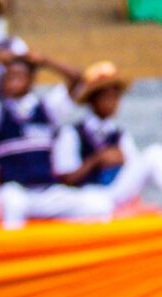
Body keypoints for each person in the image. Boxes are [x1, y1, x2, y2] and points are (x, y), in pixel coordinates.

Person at [0, 53, 109, 228]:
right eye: (9, 76)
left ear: (31, 79)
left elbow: (78, 79)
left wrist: (45, 60)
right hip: (17, 191)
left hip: (47, 191)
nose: (13, 80)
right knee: (12, 202)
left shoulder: (46, 108)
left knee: (98, 203)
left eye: (19, 75)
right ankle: (15, 253)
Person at [53, 62, 162, 215]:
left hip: (116, 192)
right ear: (92, 100)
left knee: (155, 153)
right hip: (86, 196)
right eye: (106, 97)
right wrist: (96, 160)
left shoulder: (120, 134)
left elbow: (133, 168)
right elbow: (65, 179)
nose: (113, 103)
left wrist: (122, 160)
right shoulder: (71, 133)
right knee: (99, 205)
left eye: (115, 97)